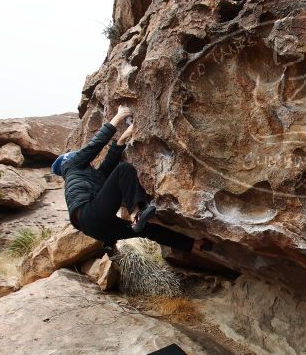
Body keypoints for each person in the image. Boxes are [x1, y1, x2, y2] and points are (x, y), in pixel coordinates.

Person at [52, 105, 208, 253]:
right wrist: (118, 117)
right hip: (89, 214)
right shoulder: (71, 164)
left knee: (146, 230)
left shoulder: (88, 177)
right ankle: (136, 214)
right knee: (123, 169)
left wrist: (123, 138)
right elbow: (95, 145)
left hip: (97, 229)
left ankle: (193, 245)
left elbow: (108, 165)